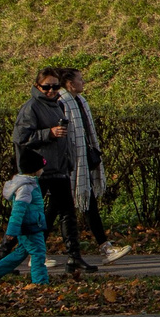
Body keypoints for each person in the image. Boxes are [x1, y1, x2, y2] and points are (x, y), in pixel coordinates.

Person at [11, 67, 90, 276]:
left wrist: (68, 160)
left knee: (68, 214)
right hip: (40, 169)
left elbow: (65, 138)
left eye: (55, 86)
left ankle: (74, 257)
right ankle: (4, 258)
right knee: (27, 215)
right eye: (47, 87)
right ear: (38, 86)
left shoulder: (58, 105)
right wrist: (49, 133)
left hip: (58, 168)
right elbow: (20, 137)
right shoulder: (31, 107)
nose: (51, 90)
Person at [61, 69, 130, 264]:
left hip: (81, 165)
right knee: (56, 212)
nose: (84, 82)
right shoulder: (62, 102)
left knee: (87, 204)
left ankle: (104, 247)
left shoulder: (80, 102)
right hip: (68, 165)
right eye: (80, 80)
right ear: (69, 83)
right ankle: (33, 252)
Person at [0, 144, 51, 284]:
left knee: (20, 253)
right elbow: (18, 210)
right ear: (33, 170)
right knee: (38, 253)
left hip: (31, 225)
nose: (42, 170)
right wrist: (12, 230)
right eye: (40, 168)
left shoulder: (31, 185)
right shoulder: (26, 188)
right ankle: (40, 282)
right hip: (31, 227)